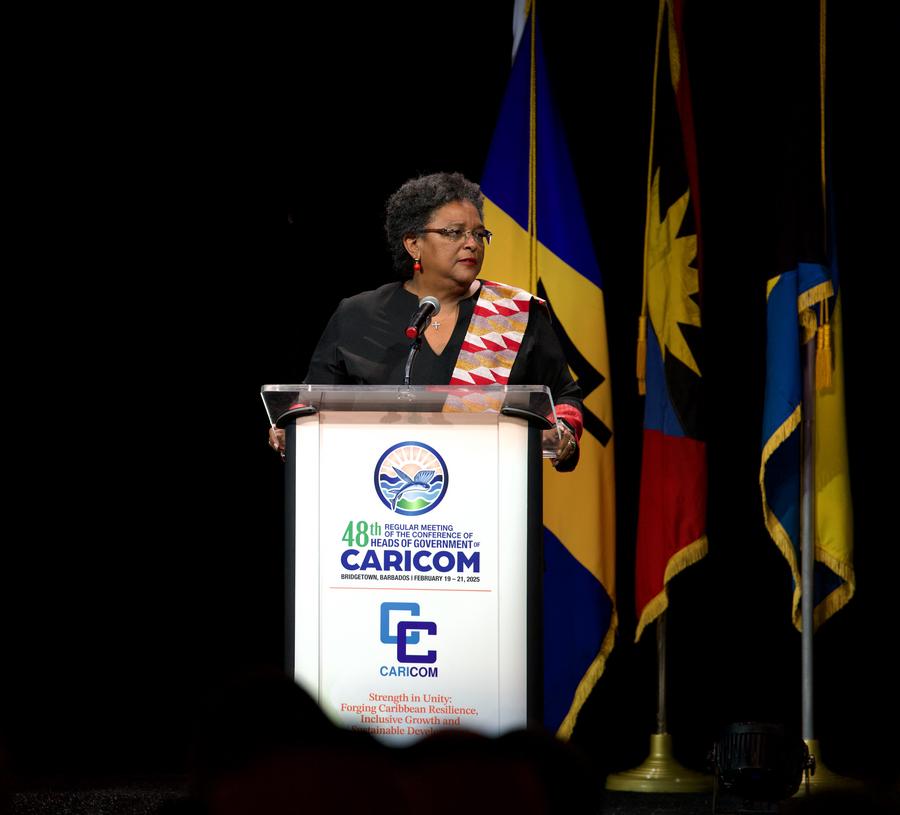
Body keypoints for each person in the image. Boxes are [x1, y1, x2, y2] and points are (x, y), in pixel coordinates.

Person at [270, 171, 582, 470]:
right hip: (377, 487)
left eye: (479, 233)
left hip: (488, 487)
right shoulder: (357, 315)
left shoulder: (514, 313)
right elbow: (311, 402)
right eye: (454, 232)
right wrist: (290, 430)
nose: (472, 243)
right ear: (413, 244)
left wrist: (563, 432)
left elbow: (564, 395)